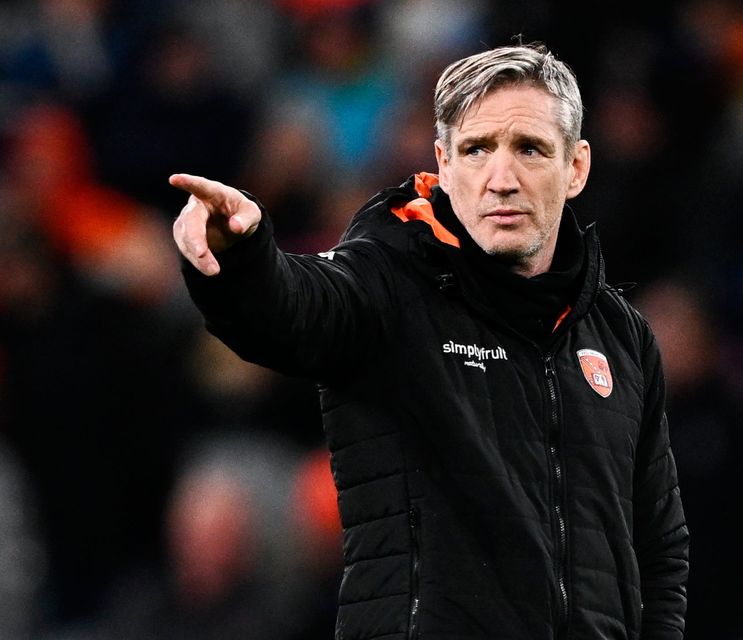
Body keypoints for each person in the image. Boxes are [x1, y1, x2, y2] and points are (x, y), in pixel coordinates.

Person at [170, 41, 689, 639]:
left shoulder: (623, 338)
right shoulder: (387, 284)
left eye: (529, 149)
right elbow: (291, 310)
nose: (502, 179)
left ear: (576, 167)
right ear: (443, 164)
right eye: (477, 150)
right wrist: (242, 256)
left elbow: (659, 546)